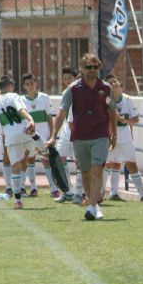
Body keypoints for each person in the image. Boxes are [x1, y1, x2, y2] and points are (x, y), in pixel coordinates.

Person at [48, 53, 117, 221]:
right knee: (85, 172)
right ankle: (95, 205)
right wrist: (53, 136)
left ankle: (92, 205)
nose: (91, 70)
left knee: (96, 169)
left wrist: (114, 134)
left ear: (99, 68)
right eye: (88, 67)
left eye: (95, 67)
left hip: (101, 134)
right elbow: (62, 113)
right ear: (81, 68)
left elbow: (112, 111)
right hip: (79, 136)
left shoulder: (106, 88)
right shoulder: (72, 89)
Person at [0, 76, 46, 209]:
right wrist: (30, 119)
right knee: (44, 153)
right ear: (11, 86)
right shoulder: (14, 96)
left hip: (11, 138)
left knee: (15, 166)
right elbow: (20, 109)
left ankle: (17, 200)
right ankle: (47, 160)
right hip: (25, 133)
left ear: (0, 88)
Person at [101, 73, 143, 201]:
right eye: (111, 83)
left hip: (125, 136)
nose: (114, 84)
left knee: (131, 164)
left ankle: (142, 194)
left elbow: (136, 119)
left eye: (115, 82)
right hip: (110, 136)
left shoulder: (127, 99)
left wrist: (126, 120)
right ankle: (103, 193)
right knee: (107, 164)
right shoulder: (105, 100)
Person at [20, 73, 58, 198]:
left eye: (32, 83)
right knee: (30, 160)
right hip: (29, 137)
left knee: (46, 160)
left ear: (36, 83)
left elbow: (49, 118)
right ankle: (33, 188)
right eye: (27, 84)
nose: (30, 86)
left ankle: (53, 189)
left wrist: (52, 135)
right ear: (24, 86)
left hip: (44, 136)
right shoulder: (21, 100)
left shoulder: (44, 97)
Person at [55, 66, 85, 204]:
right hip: (67, 129)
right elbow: (62, 113)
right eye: (65, 78)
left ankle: (79, 192)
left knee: (79, 162)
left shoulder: (83, 92)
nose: (67, 81)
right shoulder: (65, 93)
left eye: (70, 78)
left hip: (79, 129)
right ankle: (67, 191)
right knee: (59, 158)